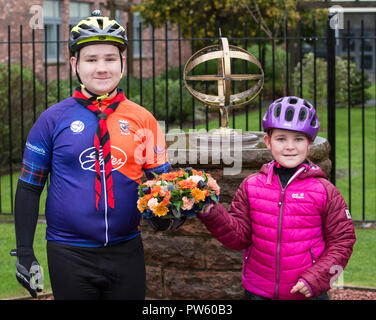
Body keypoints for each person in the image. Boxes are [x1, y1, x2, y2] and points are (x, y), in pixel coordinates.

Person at [12, 10, 183, 300]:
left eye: (110, 58)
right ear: (74, 64)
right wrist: (25, 252)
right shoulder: (52, 119)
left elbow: (160, 181)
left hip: (127, 250)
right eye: (91, 59)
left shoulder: (143, 119)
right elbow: (29, 187)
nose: (101, 68)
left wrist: (171, 212)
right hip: (68, 253)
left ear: (123, 63)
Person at [197, 96, 356, 300]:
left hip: (307, 292)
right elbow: (239, 238)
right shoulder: (251, 186)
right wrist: (211, 212)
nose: (290, 146)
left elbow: (342, 241)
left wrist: (316, 279)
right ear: (268, 142)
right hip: (258, 292)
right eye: (281, 139)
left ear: (308, 143)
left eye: (298, 139)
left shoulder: (324, 190)